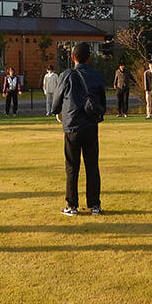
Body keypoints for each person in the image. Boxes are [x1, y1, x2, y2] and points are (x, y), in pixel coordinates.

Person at [52, 42, 106, 216]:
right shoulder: (96, 76)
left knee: (72, 167)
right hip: (90, 125)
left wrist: (56, 111)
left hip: (72, 126)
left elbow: (57, 100)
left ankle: (72, 205)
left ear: (73, 57)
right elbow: (102, 103)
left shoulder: (67, 75)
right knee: (92, 166)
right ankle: (94, 205)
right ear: (89, 58)